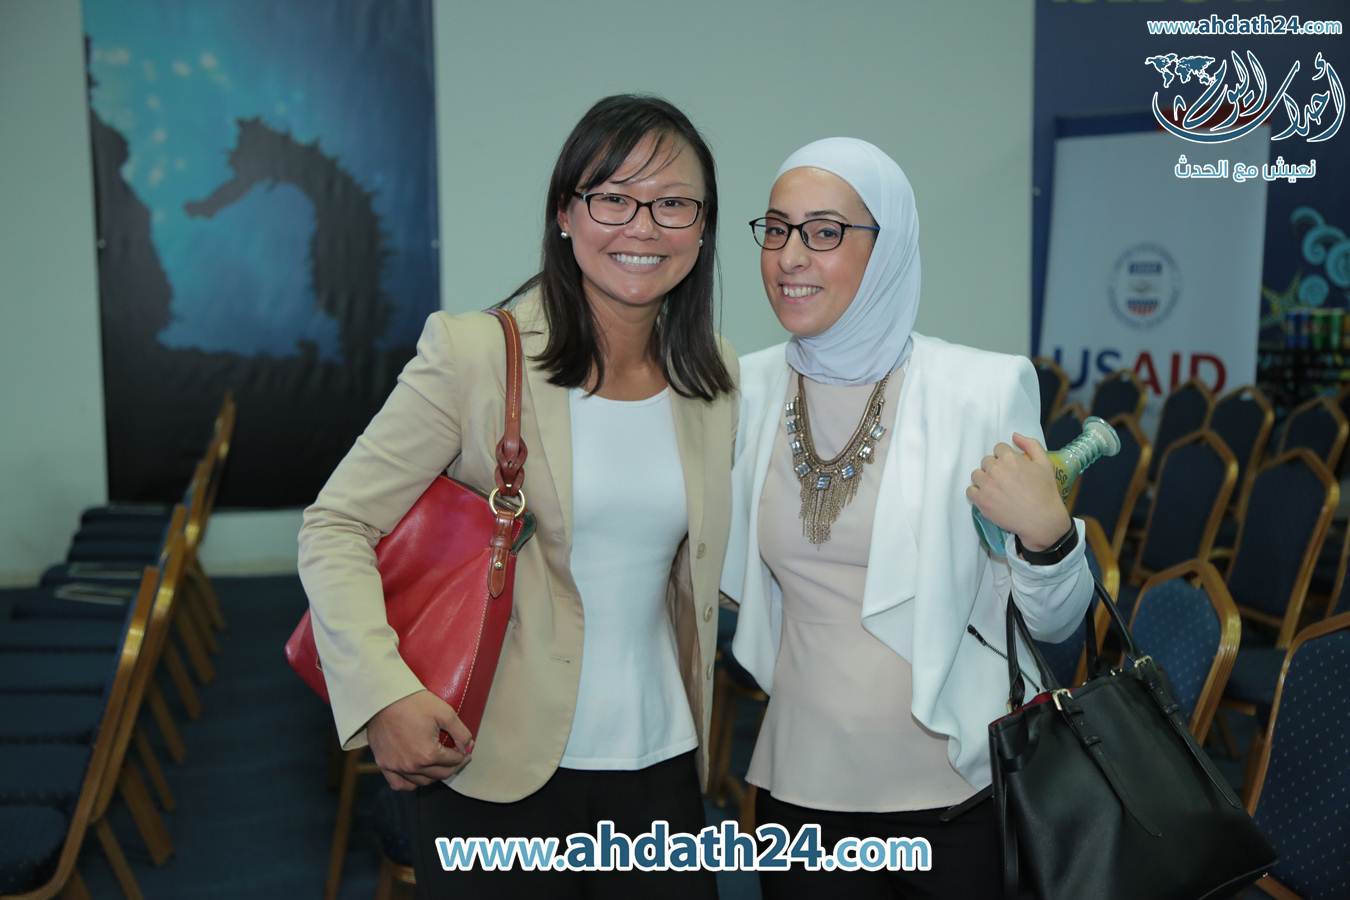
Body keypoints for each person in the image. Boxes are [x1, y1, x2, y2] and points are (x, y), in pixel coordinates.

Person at [297, 94, 737, 899]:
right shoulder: (476, 353)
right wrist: (384, 694)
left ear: (703, 228)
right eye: (613, 198)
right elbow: (336, 525)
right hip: (494, 765)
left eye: (674, 203)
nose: (644, 227)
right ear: (565, 213)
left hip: (662, 761)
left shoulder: (713, 374)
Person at [720, 137, 1093, 897]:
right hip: (800, 787)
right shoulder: (744, 390)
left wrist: (1047, 535)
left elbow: (1054, 627)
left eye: (825, 231)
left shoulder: (981, 391)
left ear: (887, 246)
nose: (790, 256)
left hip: (955, 791)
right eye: (777, 228)